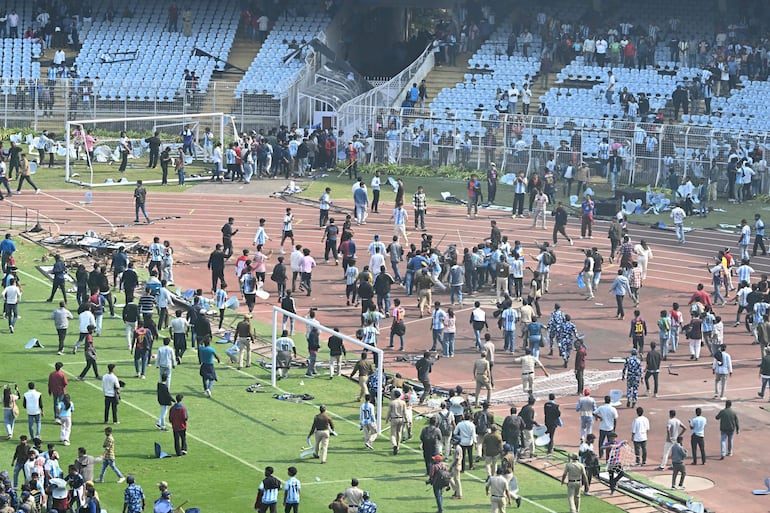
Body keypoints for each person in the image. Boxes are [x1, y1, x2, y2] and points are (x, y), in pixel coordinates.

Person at [386, 389, 406, 455]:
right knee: (399, 433)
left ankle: (394, 445)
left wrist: (387, 419)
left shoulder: (392, 402)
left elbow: (389, 412)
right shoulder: (403, 402)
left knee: (393, 434)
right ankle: (398, 446)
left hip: (394, 418)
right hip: (401, 418)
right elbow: (404, 412)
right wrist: (406, 419)